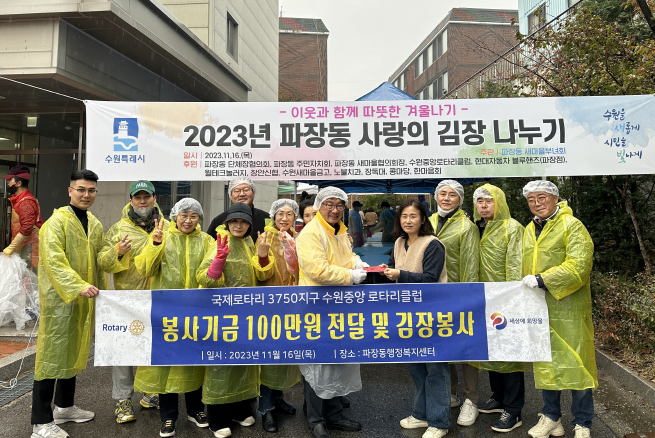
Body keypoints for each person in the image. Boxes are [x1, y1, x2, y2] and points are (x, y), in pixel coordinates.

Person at [31, 169, 105, 438]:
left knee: (72, 353)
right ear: (70, 191)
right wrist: (78, 286)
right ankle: (40, 421)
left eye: (91, 190)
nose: (86, 195)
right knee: (50, 358)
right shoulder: (57, 222)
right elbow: (53, 260)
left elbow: (100, 259)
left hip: (83, 299)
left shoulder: (94, 223)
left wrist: (118, 252)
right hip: (59, 301)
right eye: (81, 189)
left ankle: (64, 407)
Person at [520, 181, 596, 438]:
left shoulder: (572, 225)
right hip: (539, 307)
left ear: (555, 198)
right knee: (546, 362)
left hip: (569, 307)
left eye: (541, 197)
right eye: (531, 199)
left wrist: (544, 279)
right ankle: (551, 417)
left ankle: (583, 422)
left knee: (577, 362)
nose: (536, 203)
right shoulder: (529, 229)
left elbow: (579, 265)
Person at [133, 198, 213, 438]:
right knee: (166, 364)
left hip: (197, 312)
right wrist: (155, 244)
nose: (188, 221)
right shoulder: (161, 236)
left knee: (194, 360)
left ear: (199, 219)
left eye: (194, 216)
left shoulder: (207, 241)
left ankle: (196, 410)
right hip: (166, 311)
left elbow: (210, 273)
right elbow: (145, 269)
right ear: (175, 216)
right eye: (184, 215)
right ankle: (168, 416)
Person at [196, 202, 276, 438]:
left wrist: (262, 256)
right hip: (222, 316)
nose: (238, 225)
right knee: (221, 365)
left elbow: (263, 276)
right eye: (234, 221)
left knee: (244, 362)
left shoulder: (250, 242)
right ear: (227, 223)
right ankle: (217, 418)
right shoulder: (220, 242)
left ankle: (240, 410)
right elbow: (204, 278)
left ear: (249, 225)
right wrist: (219, 260)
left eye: (243, 221)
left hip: (247, 315)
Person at [296, 187, 367, 438]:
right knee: (317, 363)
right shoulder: (311, 234)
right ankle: (316, 419)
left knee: (338, 359)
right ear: (318, 206)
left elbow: (342, 260)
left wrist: (356, 262)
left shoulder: (338, 231)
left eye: (339, 205)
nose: (335, 209)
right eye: (329, 204)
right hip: (317, 308)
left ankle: (334, 414)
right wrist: (350, 276)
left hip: (339, 306)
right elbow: (318, 270)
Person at [97, 180, 163, 424]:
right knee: (124, 350)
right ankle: (123, 400)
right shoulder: (118, 229)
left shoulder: (167, 227)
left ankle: (150, 391)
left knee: (153, 347)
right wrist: (118, 252)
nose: (142, 201)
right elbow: (103, 262)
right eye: (138, 197)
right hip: (127, 299)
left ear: (155, 198)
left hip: (157, 297)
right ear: (131, 200)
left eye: (147, 197)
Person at [382, 200, 448, 438]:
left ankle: (439, 421)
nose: (408, 220)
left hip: (431, 313)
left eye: (413, 216)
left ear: (423, 219)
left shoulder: (433, 244)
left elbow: (430, 278)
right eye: (404, 216)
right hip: (407, 314)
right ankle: (421, 415)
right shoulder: (399, 242)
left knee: (436, 368)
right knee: (417, 367)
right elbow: (393, 266)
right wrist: (387, 272)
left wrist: (401, 274)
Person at [472, 184, 527, 433]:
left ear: (500, 202)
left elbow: (516, 263)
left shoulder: (512, 228)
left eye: (489, 201)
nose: (484, 206)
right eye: (480, 201)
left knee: (510, 354)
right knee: (492, 349)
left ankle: (514, 411)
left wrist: (512, 298)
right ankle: (499, 397)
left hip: (505, 298)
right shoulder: (477, 228)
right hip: (484, 297)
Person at [427, 179, 481, 427]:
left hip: (458, 293)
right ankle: (450, 393)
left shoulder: (466, 227)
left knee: (466, 347)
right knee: (442, 345)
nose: (446, 198)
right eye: (442, 193)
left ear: (460, 200)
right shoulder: (428, 221)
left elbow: (471, 263)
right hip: (434, 293)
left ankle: (471, 399)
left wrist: (468, 297)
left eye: (452, 195)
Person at [257, 199, 302, 433]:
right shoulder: (265, 237)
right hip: (270, 305)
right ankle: (265, 407)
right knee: (269, 354)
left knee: (285, 353)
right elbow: (260, 271)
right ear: (273, 216)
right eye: (280, 214)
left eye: (289, 214)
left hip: (293, 303)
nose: (284, 218)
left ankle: (277, 397)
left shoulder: (297, 237)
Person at [2, 165, 43, 272]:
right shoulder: (20, 200)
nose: (8, 183)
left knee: (28, 278)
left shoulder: (26, 202)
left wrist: (11, 247)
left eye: (10, 180)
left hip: (30, 249)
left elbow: (26, 228)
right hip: (24, 247)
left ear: (18, 183)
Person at [206, 177, 269, 242]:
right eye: (237, 191)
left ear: (254, 193)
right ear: (230, 196)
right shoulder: (218, 221)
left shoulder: (266, 219)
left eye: (246, 190)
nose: (242, 194)